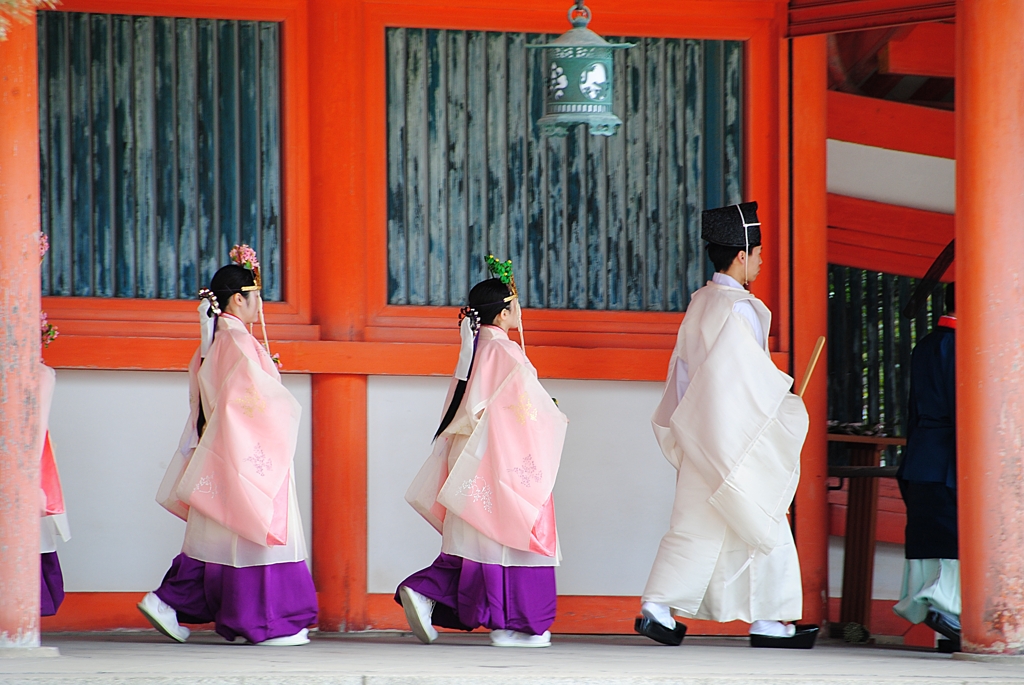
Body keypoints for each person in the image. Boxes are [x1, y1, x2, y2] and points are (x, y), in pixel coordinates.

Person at [636, 202, 815, 648]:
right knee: (765, 516)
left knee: (693, 525)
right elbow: (748, 382)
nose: (759, 261)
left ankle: (657, 607)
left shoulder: (701, 302)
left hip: (699, 431)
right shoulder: (742, 309)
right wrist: (782, 403)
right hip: (734, 437)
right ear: (741, 255)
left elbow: (682, 373)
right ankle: (770, 620)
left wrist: (686, 426)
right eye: (757, 253)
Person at [139, 247, 317, 646]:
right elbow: (252, 401)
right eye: (256, 296)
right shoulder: (236, 341)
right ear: (240, 298)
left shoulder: (219, 341)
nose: (259, 306)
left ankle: (169, 600)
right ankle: (268, 622)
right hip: (243, 453)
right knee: (248, 537)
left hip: (224, 452)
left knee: (215, 537)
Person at [398, 257, 568, 648]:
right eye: (516, 305)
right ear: (506, 311)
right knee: (513, 539)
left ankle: (428, 592)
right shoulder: (506, 354)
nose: (519, 311)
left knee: (476, 544)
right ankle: (515, 623)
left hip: (473, 461)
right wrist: (552, 412)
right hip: (499, 462)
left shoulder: (476, 352)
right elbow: (525, 412)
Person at [893, 283, 959, 650]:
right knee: (955, 543)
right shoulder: (964, 345)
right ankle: (949, 611)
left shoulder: (926, 345)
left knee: (931, 543)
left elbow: (913, 410)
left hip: (923, 455)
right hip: (953, 456)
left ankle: (947, 628)